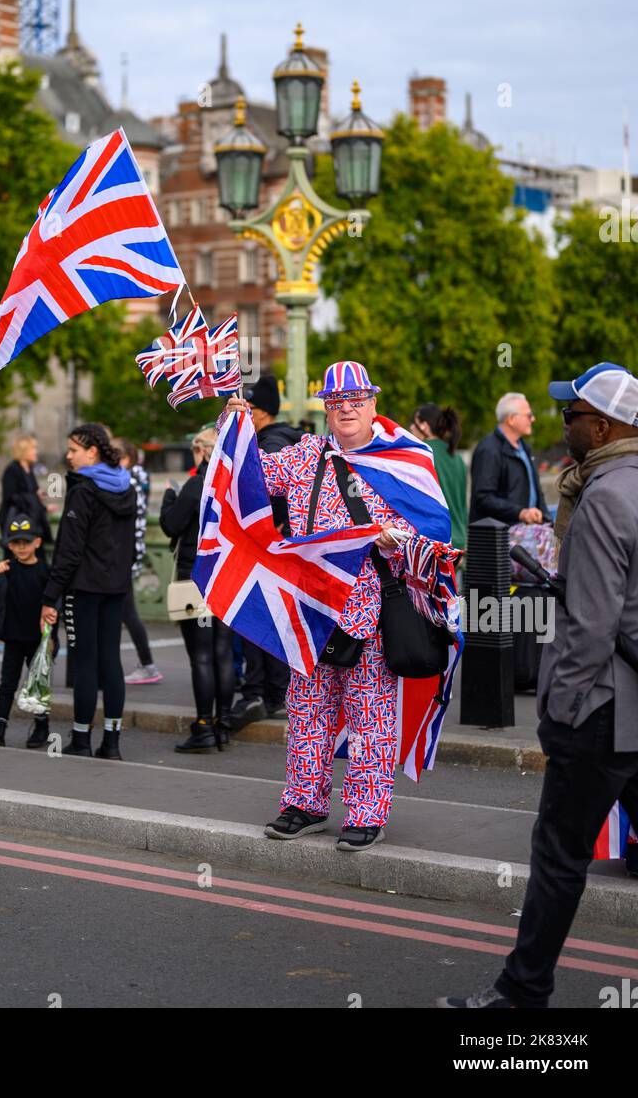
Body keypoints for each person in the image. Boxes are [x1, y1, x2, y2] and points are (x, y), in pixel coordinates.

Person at [440, 361, 638, 1008]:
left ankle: (522, 992)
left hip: (604, 708)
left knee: (558, 857)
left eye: (572, 414)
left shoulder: (606, 497)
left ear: (605, 426)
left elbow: (590, 624)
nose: (562, 422)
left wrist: (559, 713)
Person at [224, 360, 453, 850]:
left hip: (372, 611)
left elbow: (436, 535)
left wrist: (396, 539)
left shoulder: (407, 459)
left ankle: (367, 811)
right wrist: (235, 428)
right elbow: (248, 481)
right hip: (311, 611)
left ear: (372, 403)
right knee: (306, 710)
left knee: (370, 713)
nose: (346, 409)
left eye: (355, 401)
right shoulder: (307, 456)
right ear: (325, 410)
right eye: (335, 403)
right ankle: (304, 802)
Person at [40, 424, 136, 760]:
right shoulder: (127, 487)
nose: (68, 455)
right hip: (116, 586)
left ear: (92, 451)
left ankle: (81, 738)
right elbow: (130, 546)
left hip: (83, 588)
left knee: (84, 662)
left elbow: (69, 550)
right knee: (111, 660)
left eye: (73, 449)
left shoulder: (82, 490)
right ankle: (112, 742)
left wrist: (49, 596)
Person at [229, 374, 302, 730]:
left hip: (266, 547)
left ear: (262, 412)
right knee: (276, 621)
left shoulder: (271, 446)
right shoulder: (294, 440)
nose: (248, 415)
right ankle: (275, 691)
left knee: (256, 619)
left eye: (251, 409)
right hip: (283, 549)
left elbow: (251, 481)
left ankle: (259, 692)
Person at [160, 427, 235, 753]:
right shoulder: (233, 486)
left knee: (201, 657)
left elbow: (171, 525)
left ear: (203, 452)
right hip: (229, 576)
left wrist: (168, 498)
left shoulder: (195, 485)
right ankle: (224, 724)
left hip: (197, 578)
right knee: (223, 654)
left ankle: (203, 725)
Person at [0, 513, 54, 749]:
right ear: (9, 545)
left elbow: (54, 602)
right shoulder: (8, 569)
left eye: (26, 542)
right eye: (15, 543)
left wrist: (51, 635)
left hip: (36, 639)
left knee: (37, 685)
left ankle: (41, 726)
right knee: (8, 684)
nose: (21, 548)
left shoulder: (45, 571)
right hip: (13, 638)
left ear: (37, 542)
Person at [116, 439, 162, 685]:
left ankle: (147, 664)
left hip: (124, 554)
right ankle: (146, 663)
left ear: (124, 459)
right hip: (132, 552)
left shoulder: (127, 481)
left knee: (126, 612)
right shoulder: (139, 477)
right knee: (125, 611)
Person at [469, 392, 550, 526]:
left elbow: (537, 491)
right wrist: (520, 513)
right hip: (499, 540)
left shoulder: (525, 448)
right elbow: (483, 498)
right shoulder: (488, 450)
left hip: (524, 535)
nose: (533, 419)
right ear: (511, 419)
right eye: (528, 415)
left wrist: (547, 519)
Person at [410, 403, 467, 551]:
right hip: (459, 539)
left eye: (414, 423)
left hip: (436, 541)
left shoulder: (423, 453)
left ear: (424, 426)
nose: (410, 428)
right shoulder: (456, 457)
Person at [0, 435, 52, 545]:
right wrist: (33, 496)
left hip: (31, 521)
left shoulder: (29, 469)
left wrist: (43, 505)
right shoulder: (12, 470)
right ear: (23, 451)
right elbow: (10, 497)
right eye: (33, 448)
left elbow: (32, 493)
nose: (36, 452)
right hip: (17, 524)